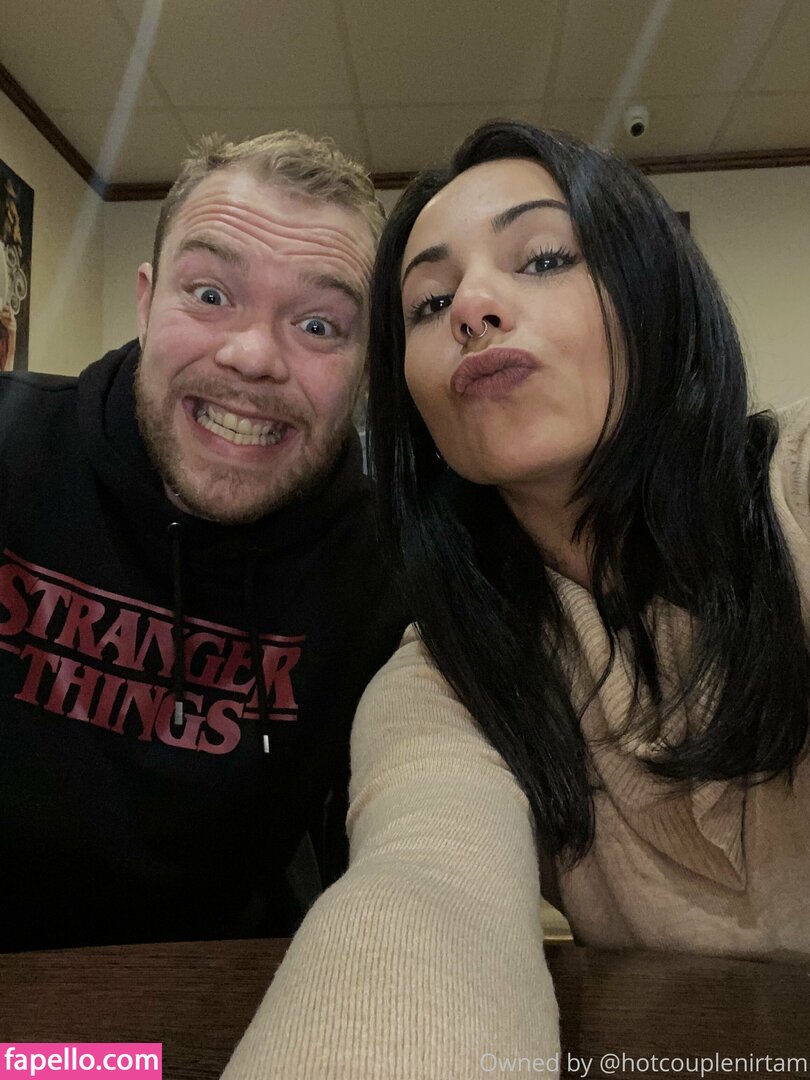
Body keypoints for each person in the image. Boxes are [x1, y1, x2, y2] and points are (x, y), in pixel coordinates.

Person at [220, 121, 809, 1078]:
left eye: (542, 258)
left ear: (657, 293)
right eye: (429, 302)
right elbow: (427, 889)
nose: (471, 307)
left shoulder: (795, 490)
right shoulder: (445, 674)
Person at [0, 130, 406, 952]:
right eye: (211, 294)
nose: (253, 356)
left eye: (319, 324)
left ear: (367, 367)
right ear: (147, 302)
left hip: (226, 995)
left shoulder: (386, 565)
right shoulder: (11, 449)